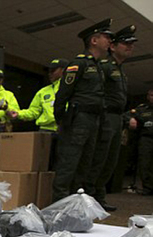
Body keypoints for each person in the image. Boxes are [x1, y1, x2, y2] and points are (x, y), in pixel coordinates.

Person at [52, 18, 113, 202]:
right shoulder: (78, 64)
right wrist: (62, 121)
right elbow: (62, 96)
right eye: (106, 37)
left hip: (93, 121)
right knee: (68, 165)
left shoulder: (99, 67)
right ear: (94, 40)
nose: (110, 41)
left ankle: (74, 206)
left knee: (84, 166)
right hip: (78, 120)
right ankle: (59, 207)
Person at [85, 25, 137, 211]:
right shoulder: (104, 67)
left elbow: (119, 100)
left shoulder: (121, 71)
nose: (129, 47)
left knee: (110, 162)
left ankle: (99, 197)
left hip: (116, 119)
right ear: (113, 47)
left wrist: (124, 118)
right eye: (125, 43)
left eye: (131, 44)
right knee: (99, 159)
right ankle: (89, 199)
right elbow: (98, 94)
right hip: (105, 118)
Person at [8, 58, 69, 169]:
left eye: (53, 71)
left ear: (63, 70)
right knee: (42, 165)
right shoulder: (43, 92)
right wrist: (18, 114)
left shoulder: (71, 89)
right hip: (45, 132)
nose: (50, 74)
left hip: (65, 131)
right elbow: (33, 111)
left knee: (62, 165)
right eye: (49, 71)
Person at [129, 88, 153, 195]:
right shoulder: (143, 109)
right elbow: (128, 114)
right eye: (151, 95)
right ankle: (148, 188)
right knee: (145, 163)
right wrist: (131, 119)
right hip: (146, 138)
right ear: (148, 97)